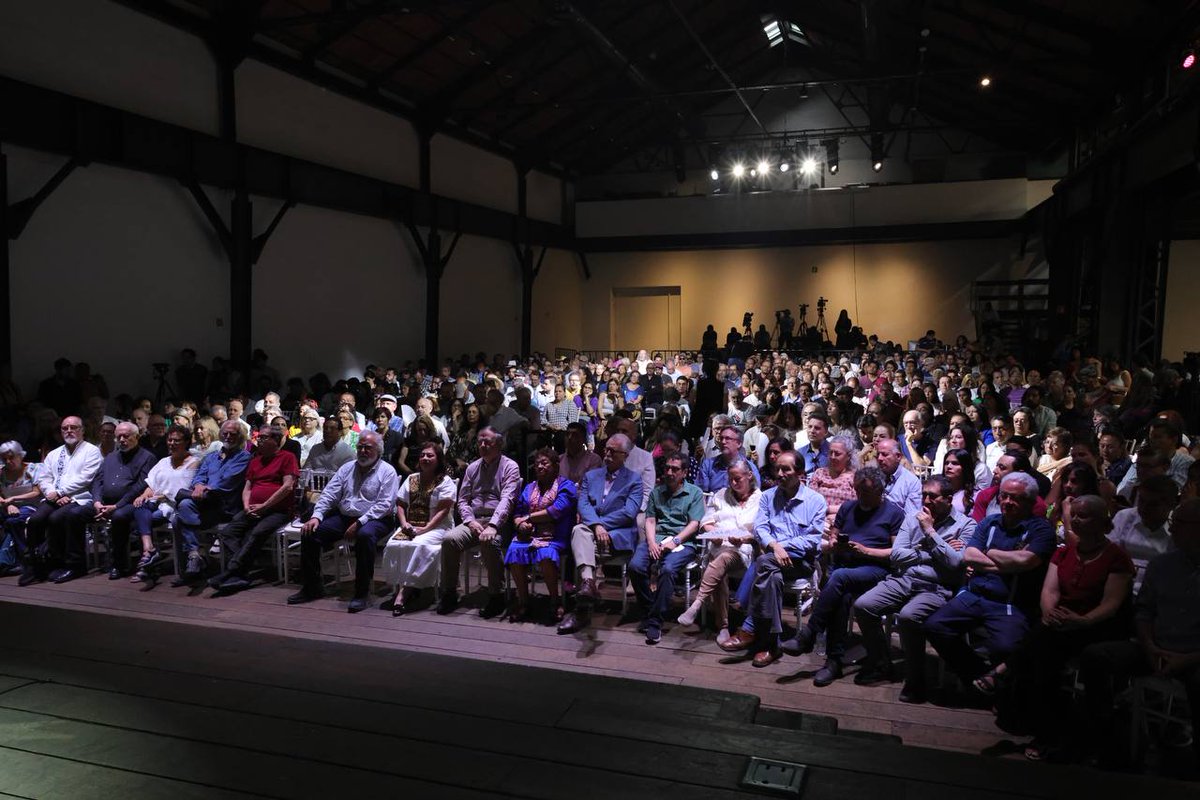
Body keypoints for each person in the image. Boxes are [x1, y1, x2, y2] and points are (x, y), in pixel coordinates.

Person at [997, 495, 1134, 761]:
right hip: (1062, 624)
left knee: (1041, 648)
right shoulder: (1063, 552)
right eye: (1076, 515)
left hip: (1097, 626)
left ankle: (1005, 671)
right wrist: (1050, 615)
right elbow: (1050, 590)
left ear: (1103, 523)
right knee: (1042, 647)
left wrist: (1082, 621)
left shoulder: (1116, 558)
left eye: (1085, 516)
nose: (1078, 521)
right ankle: (1045, 728)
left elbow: (1111, 604)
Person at [1078, 498, 1200, 769]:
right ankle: (1109, 743)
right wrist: (1149, 646)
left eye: (1179, 524)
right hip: (1155, 648)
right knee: (1095, 656)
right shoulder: (1163, 565)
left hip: (1194, 656)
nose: (1173, 530)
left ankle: (1188, 761)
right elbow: (1143, 612)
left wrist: (1187, 659)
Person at [924, 473, 1056, 692]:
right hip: (974, 594)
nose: (1007, 502)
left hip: (1010, 603)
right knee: (935, 626)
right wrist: (1008, 563)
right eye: (1004, 496)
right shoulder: (990, 522)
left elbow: (1027, 560)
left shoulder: (1041, 530)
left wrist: (991, 552)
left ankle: (1003, 691)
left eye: (1015, 498)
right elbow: (969, 555)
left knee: (1006, 646)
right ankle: (980, 676)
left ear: (1031, 502)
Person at [854, 475, 974, 702]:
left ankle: (915, 681)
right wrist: (935, 549)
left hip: (937, 587)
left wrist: (930, 532)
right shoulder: (911, 517)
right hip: (904, 579)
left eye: (933, 496)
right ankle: (881, 663)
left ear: (948, 499)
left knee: (909, 617)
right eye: (924, 495)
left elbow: (956, 563)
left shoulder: (966, 525)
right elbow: (897, 555)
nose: (926, 500)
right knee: (863, 606)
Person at [781, 467, 902, 685]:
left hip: (876, 568)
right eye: (857, 491)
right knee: (842, 596)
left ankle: (809, 634)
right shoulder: (848, 508)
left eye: (866, 492)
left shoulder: (893, 513)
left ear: (879, 491)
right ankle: (833, 662)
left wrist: (866, 551)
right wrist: (836, 542)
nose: (860, 496)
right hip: (847, 567)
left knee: (838, 578)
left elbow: (896, 553)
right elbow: (835, 534)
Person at [720, 451, 825, 665]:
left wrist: (780, 546)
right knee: (772, 576)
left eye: (786, 469)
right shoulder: (768, 497)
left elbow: (812, 541)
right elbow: (760, 528)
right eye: (777, 468)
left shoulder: (815, 501)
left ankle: (749, 626)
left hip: (801, 562)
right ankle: (771, 645)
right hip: (773, 560)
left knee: (763, 562)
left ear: (800, 473)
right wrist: (774, 546)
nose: (779, 473)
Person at [289, 431, 398, 613]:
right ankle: (312, 587)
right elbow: (329, 494)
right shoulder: (347, 468)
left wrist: (360, 523)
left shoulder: (387, 471)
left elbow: (384, 505)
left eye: (368, 448)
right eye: (360, 447)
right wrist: (317, 516)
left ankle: (362, 594)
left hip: (377, 518)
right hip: (346, 516)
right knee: (310, 532)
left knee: (364, 536)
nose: (363, 451)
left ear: (378, 450)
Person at [557, 433, 643, 635]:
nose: (608, 453)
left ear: (626, 455)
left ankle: (582, 607)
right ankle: (588, 586)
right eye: (607, 449)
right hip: (592, 533)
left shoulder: (634, 480)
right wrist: (596, 526)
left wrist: (599, 525)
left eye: (614, 451)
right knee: (579, 531)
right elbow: (583, 504)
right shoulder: (591, 475)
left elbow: (629, 512)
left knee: (580, 543)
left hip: (618, 536)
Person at [436, 427, 522, 619]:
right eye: (480, 441)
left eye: (487, 442)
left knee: (489, 541)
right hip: (474, 520)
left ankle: (496, 595)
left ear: (499, 444)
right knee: (449, 539)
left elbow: (507, 500)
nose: (482, 445)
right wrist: (469, 520)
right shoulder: (472, 467)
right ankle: (450, 592)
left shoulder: (510, 467)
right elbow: (463, 499)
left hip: (499, 521)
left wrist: (493, 525)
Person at [206, 424, 299, 594]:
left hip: (279, 510)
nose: (259, 440)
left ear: (276, 440)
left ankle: (231, 572)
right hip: (254, 508)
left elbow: (287, 487)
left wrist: (265, 506)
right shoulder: (255, 460)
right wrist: (247, 506)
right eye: (258, 437)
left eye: (264, 437)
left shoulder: (287, 457)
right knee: (228, 532)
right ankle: (240, 572)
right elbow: (247, 487)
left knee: (256, 533)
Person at [676, 459, 762, 643]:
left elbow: (762, 530)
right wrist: (712, 533)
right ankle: (722, 626)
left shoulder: (761, 499)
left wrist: (744, 538)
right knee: (719, 566)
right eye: (730, 479)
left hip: (744, 550)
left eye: (737, 479)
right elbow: (706, 521)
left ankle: (697, 603)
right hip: (718, 546)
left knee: (723, 559)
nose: (733, 483)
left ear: (749, 476)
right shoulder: (721, 494)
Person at [628, 452, 704, 645]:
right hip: (658, 538)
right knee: (635, 566)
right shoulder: (657, 492)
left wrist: (675, 541)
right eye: (667, 468)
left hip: (683, 543)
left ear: (684, 472)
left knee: (668, 569)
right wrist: (652, 542)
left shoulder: (694, 493)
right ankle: (650, 608)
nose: (669, 472)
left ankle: (654, 621)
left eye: (675, 469)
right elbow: (650, 519)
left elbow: (694, 524)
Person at [21, 416, 102, 585]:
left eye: (73, 427)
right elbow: (44, 477)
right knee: (35, 521)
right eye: (65, 428)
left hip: (80, 498)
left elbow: (86, 478)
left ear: (82, 430)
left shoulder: (92, 451)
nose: (69, 431)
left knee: (57, 518)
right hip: (54, 497)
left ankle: (71, 564)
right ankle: (35, 565)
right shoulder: (54, 453)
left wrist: (60, 492)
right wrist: (52, 492)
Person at [384, 442, 457, 615]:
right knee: (394, 544)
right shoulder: (412, 479)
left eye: (430, 455)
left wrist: (425, 529)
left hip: (438, 526)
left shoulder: (445, 481)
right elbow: (400, 504)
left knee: (418, 545)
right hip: (411, 525)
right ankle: (410, 585)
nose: (425, 458)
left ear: (438, 459)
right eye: (423, 455)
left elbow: (443, 510)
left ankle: (404, 592)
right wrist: (404, 524)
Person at [506, 448, 577, 624]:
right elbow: (518, 511)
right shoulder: (529, 488)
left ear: (555, 465)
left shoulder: (565, 486)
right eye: (537, 464)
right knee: (514, 551)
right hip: (529, 536)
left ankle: (555, 601)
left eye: (544, 463)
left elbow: (556, 510)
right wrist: (519, 523)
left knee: (545, 555)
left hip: (555, 537)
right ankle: (524, 602)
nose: (540, 467)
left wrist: (529, 517)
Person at [174, 420, 252, 580]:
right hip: (203, 503)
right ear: (220, 434)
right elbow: (198, 476)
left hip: (224, 508)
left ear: (241, 437)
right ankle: (195, 556)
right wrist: (198, 486)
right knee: (184, 506)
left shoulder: (244, 457)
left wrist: (204, 488)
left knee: (178, 518)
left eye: (233, 434)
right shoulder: (211, 457)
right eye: (225, 433)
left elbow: (228, 482)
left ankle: (193, 562)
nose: (228, 437)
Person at [129, 425, 200, 582]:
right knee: (139, 508)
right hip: (158, 503)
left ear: (186, 442)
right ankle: (149, 550)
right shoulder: (163, 461)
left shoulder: (194, 462)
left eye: (177, 440)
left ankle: (149, 563)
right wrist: (144, 495)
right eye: (170, 440)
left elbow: (183, 491)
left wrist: (162, 495)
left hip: (177, 507)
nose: (172, 443)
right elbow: (151, 485)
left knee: (142, 522)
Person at [90, 421, 156, 579]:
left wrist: (116, 505)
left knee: (119, 516)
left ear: (137, 437)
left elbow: (141, 486)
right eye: (118, 436)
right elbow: (97, 481)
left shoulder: (147, 457)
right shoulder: (110, 457)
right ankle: (74, 563)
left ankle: (118, 564)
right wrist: (97, 502)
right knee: (71, 514)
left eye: (126, 436)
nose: (121, 440)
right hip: (104, 503)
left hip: (131, 503)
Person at [1108, 474, 1177, 593]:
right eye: (1142, 501)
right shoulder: (1124, 517)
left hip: (1156, 593)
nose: (1144, 508)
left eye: (1153, 504)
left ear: (1171, 504)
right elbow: (1108, 554)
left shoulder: (1177, 528)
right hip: (1118, 587)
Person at [1, 441, 41, 574]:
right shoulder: (1, 472)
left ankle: (23, 558)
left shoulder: (32, 469)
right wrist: (8, 504)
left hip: (29, 505)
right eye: (4, 458)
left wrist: (14, 499)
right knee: (9, 520)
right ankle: (9, 560)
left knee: (13, 521)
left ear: (20, 456)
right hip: (7, 506)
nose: (7, 461)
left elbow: (36, 492)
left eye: (11, 457)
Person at [806, 433, 859, 530]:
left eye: (837, 454)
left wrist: (834, 513)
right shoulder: (820, 473)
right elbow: (810, 501)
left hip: (844, 522)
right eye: (831, 453)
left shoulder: (855, 478)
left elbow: (857, 506)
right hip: (817, 520)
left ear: (848, 456)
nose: (833, 457)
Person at [696, 425, 761, 492]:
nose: (723, 442)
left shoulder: (750, 468)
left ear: (739, 443)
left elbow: (755, 496)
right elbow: (701, 494)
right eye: (721, 438)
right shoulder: (708, 465)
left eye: (728, 438)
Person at [876, 438, 922, 516]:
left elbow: (911, 517)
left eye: (884, 454)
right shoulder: (874, 476)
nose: (879, 458)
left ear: (898, 456)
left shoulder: (911, 482)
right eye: (878, 454)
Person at [558, 421, 601, 486]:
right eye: (567, 434)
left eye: (574, 435)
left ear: (583, 439)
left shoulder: (593, 460)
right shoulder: (559, 460)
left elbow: (590, 485)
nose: (569, 438)